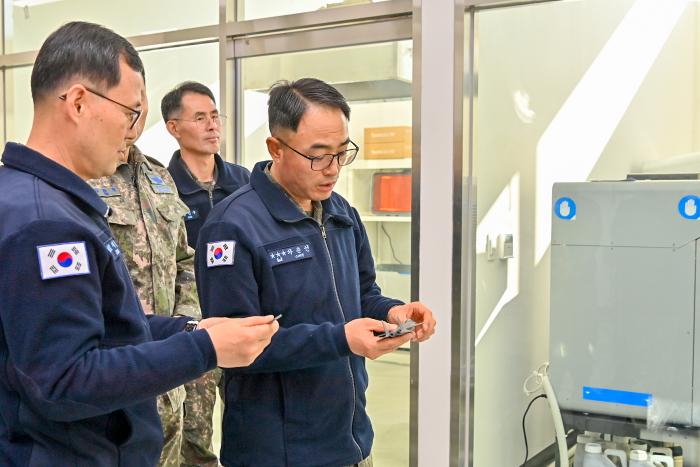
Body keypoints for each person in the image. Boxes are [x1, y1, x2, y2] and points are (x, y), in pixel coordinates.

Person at [0, 21, 278, 467]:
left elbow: (106, 328)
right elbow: (65, 380)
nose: (133, 130)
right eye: (130, 112)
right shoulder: (45, 223)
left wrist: (190, 329)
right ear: (78, 102)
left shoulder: (48, 200)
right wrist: (203, 350)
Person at [196, 78, 437, 467]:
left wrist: (393, 313)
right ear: (275, 147)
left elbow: (362, 293)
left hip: (351, 442)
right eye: (318, 155)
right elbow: (234, 348)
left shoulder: (341, 213)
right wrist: (341, 339)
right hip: (279, 452)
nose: (333, 169)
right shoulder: (232, 228)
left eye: (342, 153)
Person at [88, 93, 195, 467]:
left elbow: (185, 258)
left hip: (169, 369)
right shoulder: (79, 177)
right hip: (115, 370)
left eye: (139, 109)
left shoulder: (158, 176)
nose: (133, 119)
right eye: (125, 108)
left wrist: (186, 323)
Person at [162, 81, 249, 466]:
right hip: (195, 331)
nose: (212, 125)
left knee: (251, 421)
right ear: (173, 127)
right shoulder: (162, 190)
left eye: (215, 116)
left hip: (246, 323)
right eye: (199, 118)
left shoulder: (244, 183)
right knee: (194, 436)